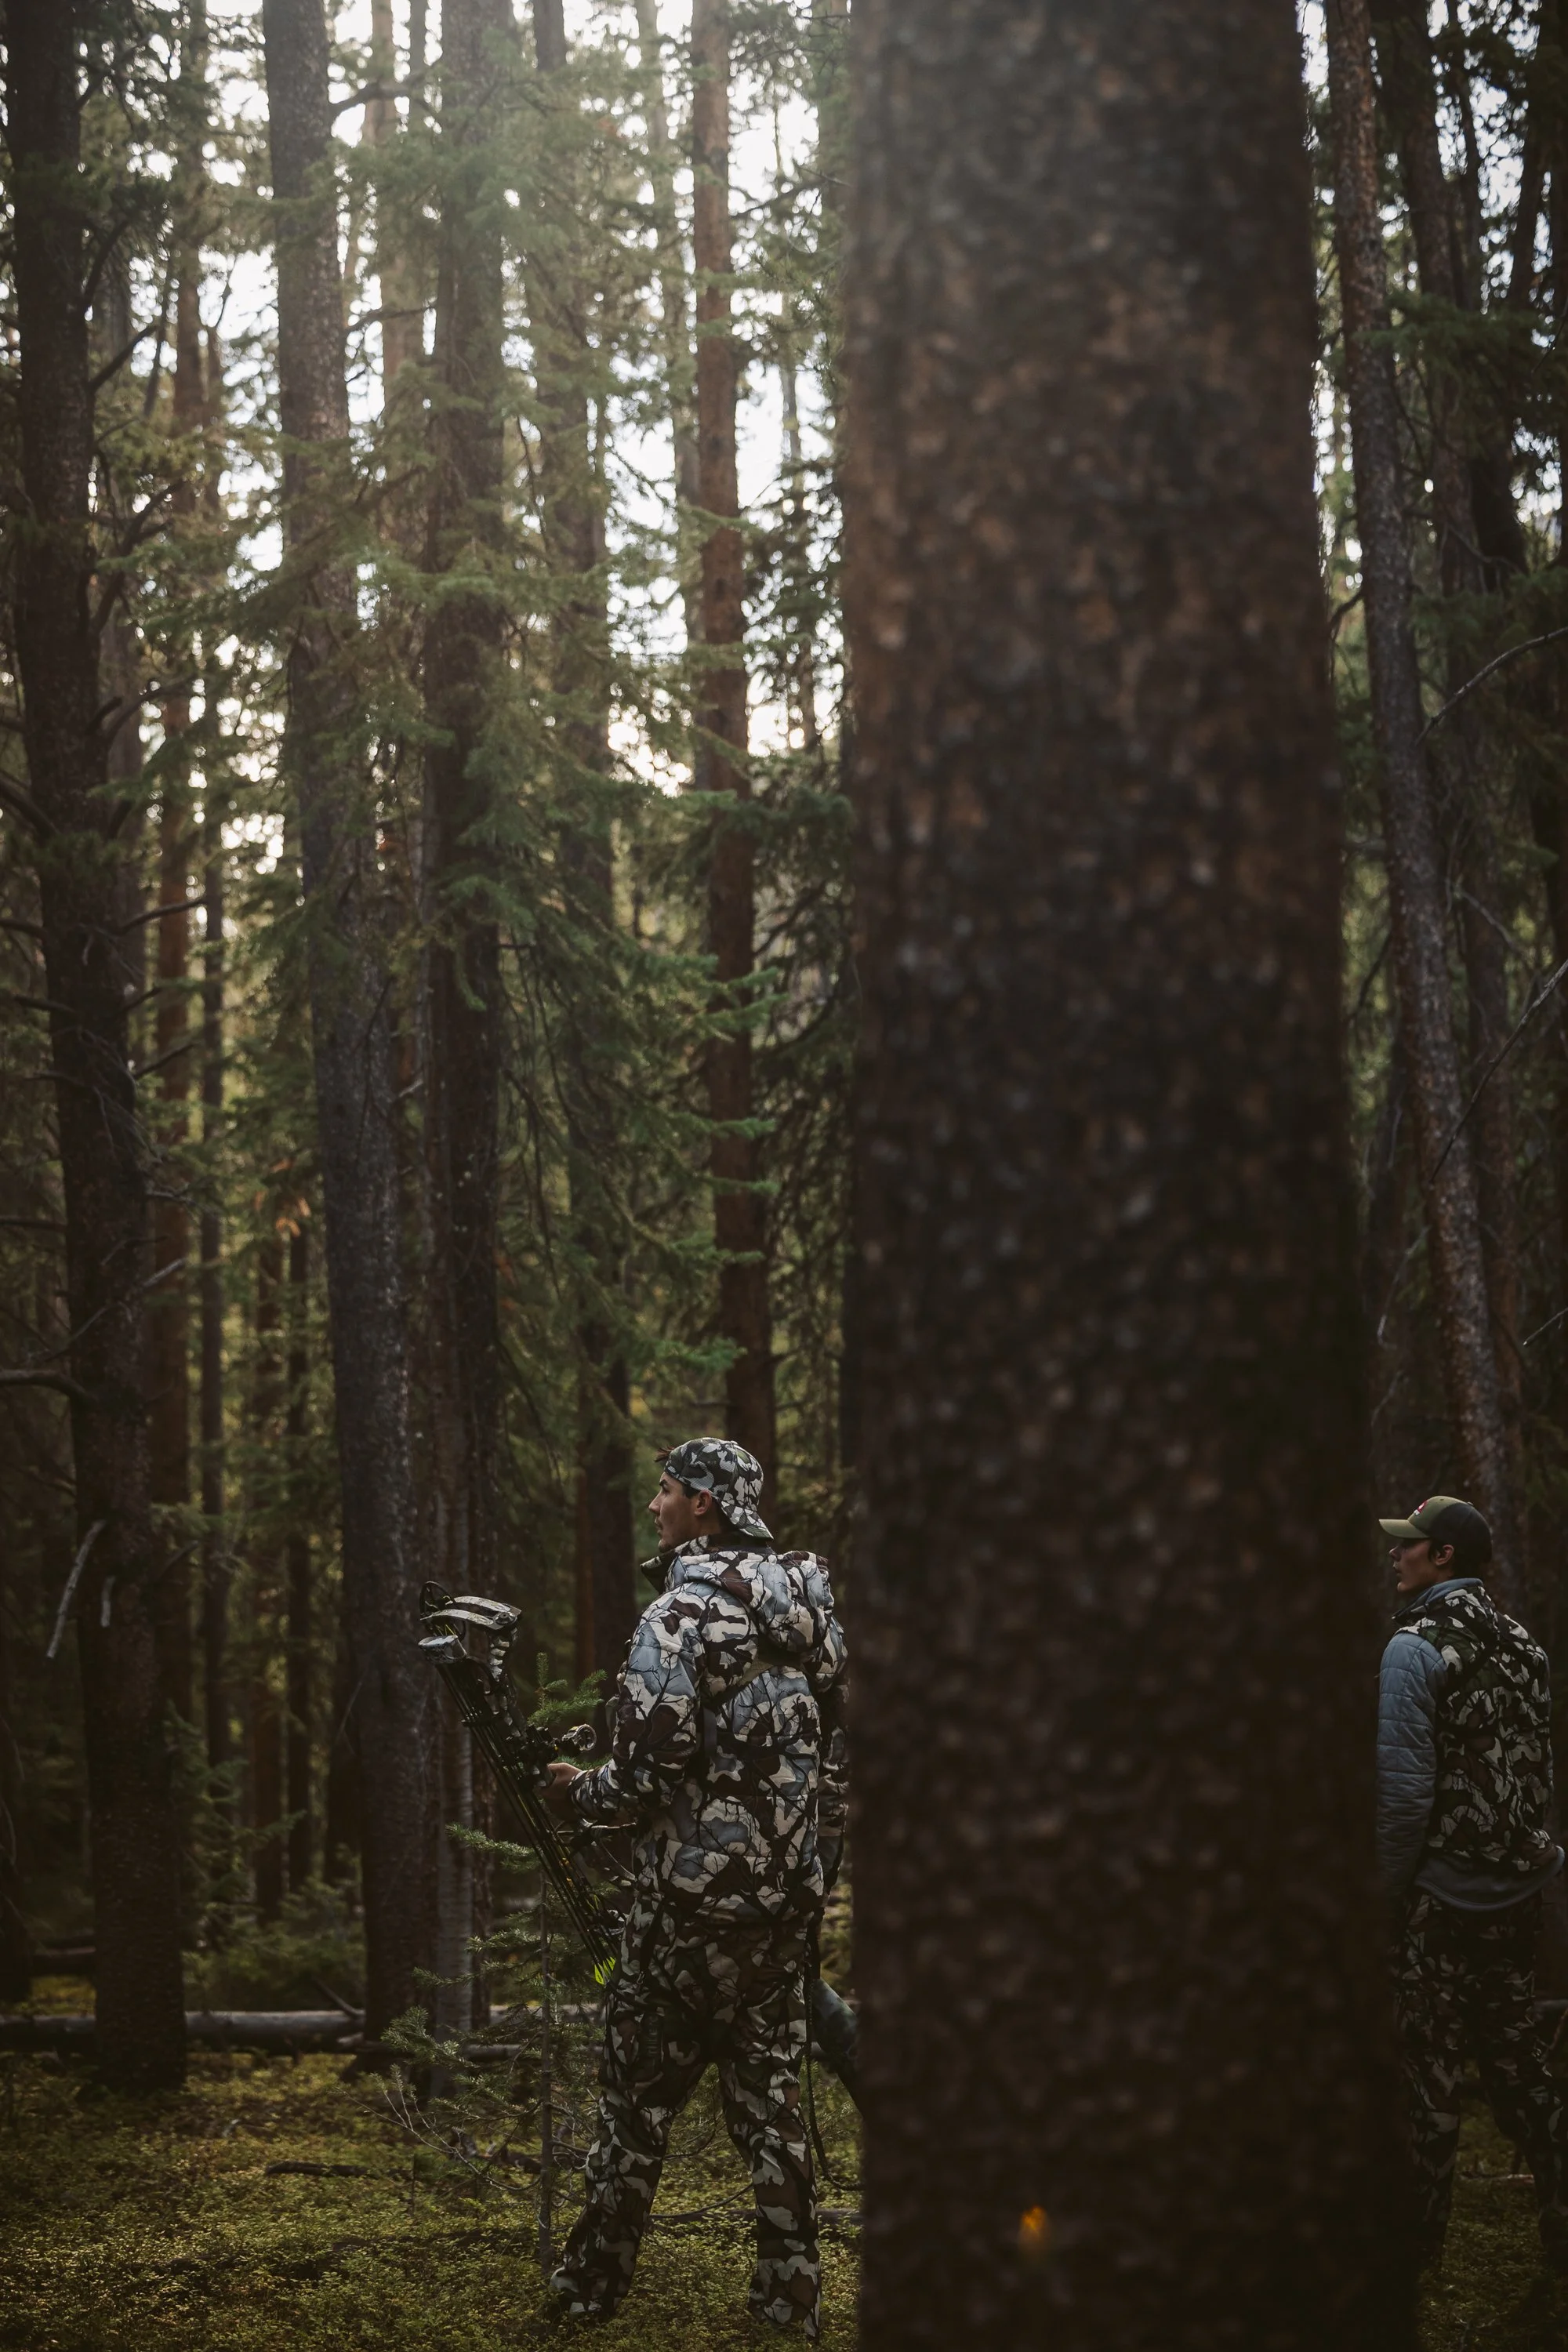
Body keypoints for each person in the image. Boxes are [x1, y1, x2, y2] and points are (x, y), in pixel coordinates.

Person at [543, 1437, 847, 2338]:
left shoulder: (676, 1616)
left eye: (666, 1490)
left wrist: (574, 1793)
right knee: (773, 2111)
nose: (654, 1504)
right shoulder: (811, 1615)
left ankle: (589, 2291)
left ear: (704, 1504)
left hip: (683, 1913)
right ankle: (790, 2306)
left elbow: (642, 1772)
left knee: (633, 2105)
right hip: (782, 1909)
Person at [1376, 1493, 1568, 2270]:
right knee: (1520, 2069)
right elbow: (1536, 1774)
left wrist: (1384, 1900)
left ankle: (1408, 2260)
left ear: (1442, 1557)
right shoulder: (1524, 1647)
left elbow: (1401, 1798)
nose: (1397, 1555)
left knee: (1423, 2083)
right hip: (1514, 1893)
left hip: (1437, 1900)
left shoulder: (1412, 1646)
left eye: (1409, 1546)